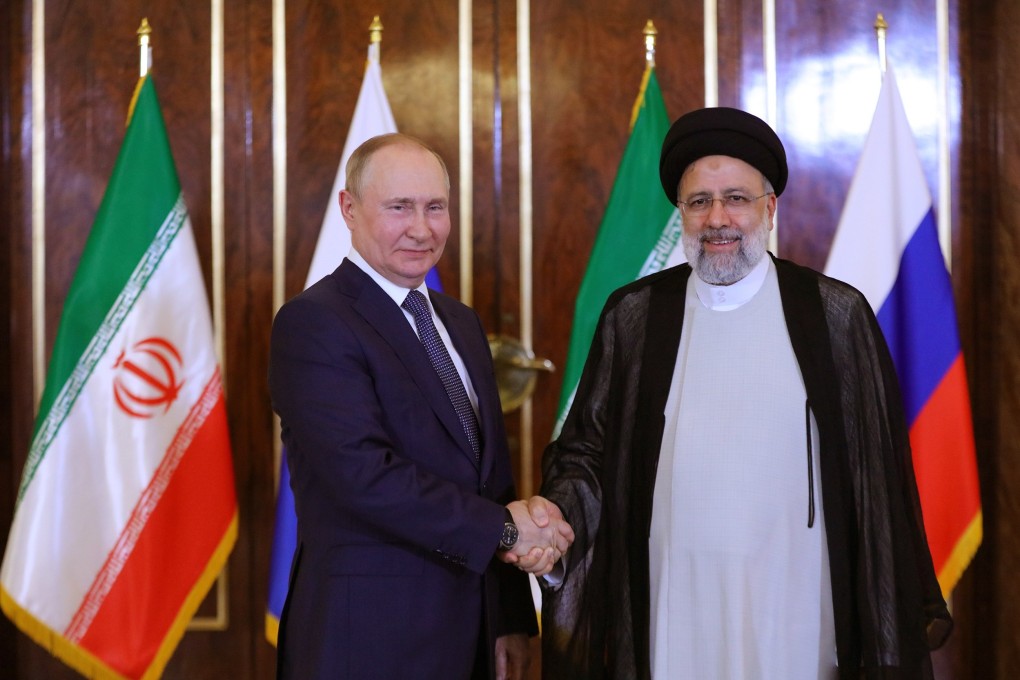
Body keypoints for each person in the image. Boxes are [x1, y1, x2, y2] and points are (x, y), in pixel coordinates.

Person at [535, 107, 952, 679]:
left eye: (736, 198)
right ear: (681, 213)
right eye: (699, 202)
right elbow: (587, 450)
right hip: (672, 600)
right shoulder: (635, 316)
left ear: (769, 208)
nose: (718, 219)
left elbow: (875, 479)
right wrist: (555, 516)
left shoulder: (834, 315)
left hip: (796, 605)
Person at [269, 133, 573, 680]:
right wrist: (506, 530)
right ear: (349, 209)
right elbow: (364, 476)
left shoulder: (460, 321)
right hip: (368, 639)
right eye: (399, 207)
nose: (421, 228)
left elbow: (491, 480)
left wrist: (508, 617)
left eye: (435, 207)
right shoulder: (314, 322)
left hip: (471, 634)